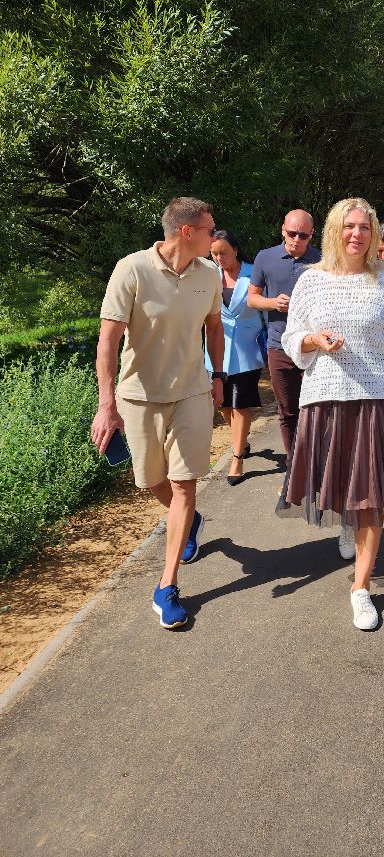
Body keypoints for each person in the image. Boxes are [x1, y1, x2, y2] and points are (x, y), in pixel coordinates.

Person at [279, 198, 384, 631]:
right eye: (350, 226)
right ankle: (347, 520)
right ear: (334, 230)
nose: (358, 234)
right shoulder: (311, 281)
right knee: (345, 485)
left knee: (373, 495)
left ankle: (360, 589)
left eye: (366, 227)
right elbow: (292, 338)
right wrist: (312, 339)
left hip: (380, 400)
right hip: (326, 398)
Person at [90, 197, 225, 630]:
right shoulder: (132, 269)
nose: (215, 234)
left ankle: (166, 587)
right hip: (139, 396)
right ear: (186, 231)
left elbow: (214, 325)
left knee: (185, 485)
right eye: (209, 228)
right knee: (150, 480)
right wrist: (106, 405)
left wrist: (217, 374)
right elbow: (107, 341)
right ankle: (190, 522)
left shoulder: (209, 273)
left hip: (191, 393)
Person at [247, 210, 320, 468]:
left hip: (315, 347)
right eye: (292, 233)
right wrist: (273, 303)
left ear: (311, 234)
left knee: (317, 409)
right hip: (279, 346)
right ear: (282, 230)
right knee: (287, 410)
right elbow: (252, 298)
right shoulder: (265, 257)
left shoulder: (322, 260)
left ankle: (319, 462)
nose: (296, 239)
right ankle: (295, 465)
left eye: (303, 235)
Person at [207, 230, 265, 485]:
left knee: (240, 403)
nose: (219, 258)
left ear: (236, 250)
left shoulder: (253, 272)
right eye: (214, 253)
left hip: (246, 348)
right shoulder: (207, 275)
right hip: (215, 350)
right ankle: (241, 440)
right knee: (222, 404)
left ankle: (237, 457)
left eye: (224, 253)